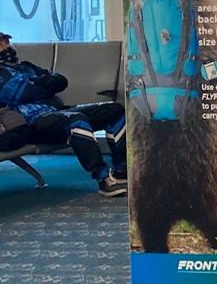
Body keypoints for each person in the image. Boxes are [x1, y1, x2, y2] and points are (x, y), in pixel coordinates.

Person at [0, 32, 127, 196]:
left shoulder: (26, 66)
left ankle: (121, 170)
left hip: (57, 112)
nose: (8, 46)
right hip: (32, 124)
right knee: (76, 120)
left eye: (8, 42)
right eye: (2, 44)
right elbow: (21, 93)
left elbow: (60, 80)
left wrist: (40, 83)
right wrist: (43, 83)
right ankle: (103, 179)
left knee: (113, 110)